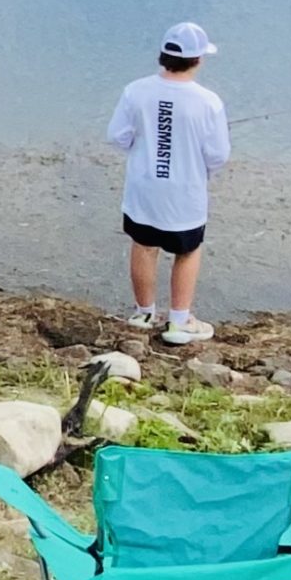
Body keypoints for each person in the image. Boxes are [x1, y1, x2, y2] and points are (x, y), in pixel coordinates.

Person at [106, 22, 228, 345]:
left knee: (144, 246)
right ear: (197, 60)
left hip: (143, 191)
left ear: (163, 56)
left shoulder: (136, 91)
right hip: (185, 197)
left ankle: (144, 313)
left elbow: (118, 136)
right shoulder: (209, 102)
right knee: (187, 252)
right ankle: (179, 321)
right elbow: (217, 155)